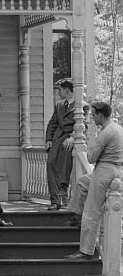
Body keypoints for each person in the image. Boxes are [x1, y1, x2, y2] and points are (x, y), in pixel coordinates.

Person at [64, 101, 123, 261]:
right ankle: (76, 213)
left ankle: (85, 252)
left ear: (100, 115)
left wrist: (92, 148)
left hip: (104, 171)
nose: (91, 118)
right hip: (114, 169)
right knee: (83, 182)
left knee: (92, 211)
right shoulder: (118, 128)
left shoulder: (106, 133)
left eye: (93, 114)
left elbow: (91, 158)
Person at [45, 79, 87, 210]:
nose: (58, 92)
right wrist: (48, 139)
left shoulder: (82, 106)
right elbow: (53, 123)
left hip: (69, 140)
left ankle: (63, 190)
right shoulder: (59, 105)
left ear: (67, 90)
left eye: (60, 89)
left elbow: (85, 125)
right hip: (57, 140)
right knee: (51, 163)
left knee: (66, 159)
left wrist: (73, 137)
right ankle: (55, 200)